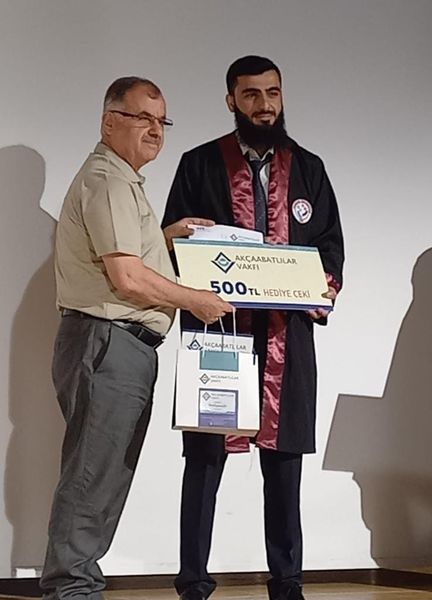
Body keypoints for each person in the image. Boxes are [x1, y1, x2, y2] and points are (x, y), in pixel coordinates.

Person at [40, 76, 233, 600]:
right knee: (92, 476)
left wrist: (164, 237)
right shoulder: (108, 181)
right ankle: (71, 590)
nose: (155, 129)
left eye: (161, 120)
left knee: (105, 476)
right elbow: (127, 278)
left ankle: (77, 584)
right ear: (109, 122)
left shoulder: (123, 181)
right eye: (142, 117)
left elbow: (126, 256)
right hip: (108, 342)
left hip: (119, 345)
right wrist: (194, 299)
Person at [162, 56, 345, 600]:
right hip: (219, 335)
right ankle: (193, 581)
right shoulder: (199, 164)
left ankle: (287, 582)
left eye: (273, 93)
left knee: (284, 467)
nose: (265, 105)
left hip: (287, 337)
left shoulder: (308, 168)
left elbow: (329, 245)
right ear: (231, 101)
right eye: (251, 95)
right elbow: (172, 241)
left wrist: (324, 288)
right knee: (204, 462)